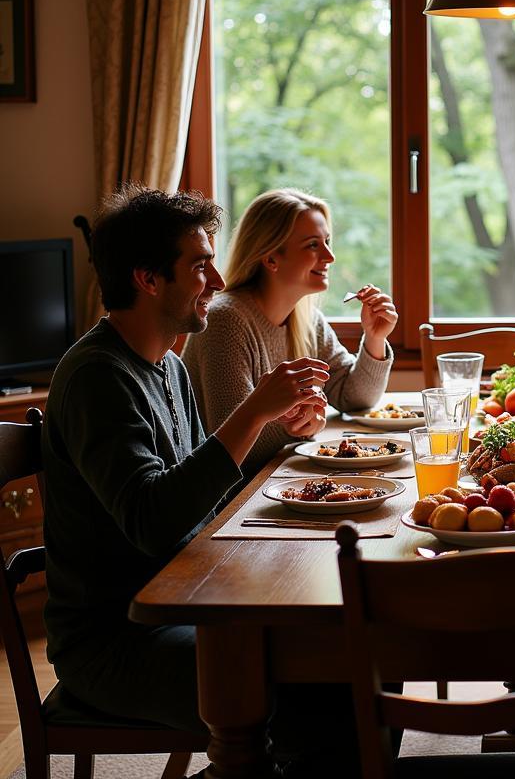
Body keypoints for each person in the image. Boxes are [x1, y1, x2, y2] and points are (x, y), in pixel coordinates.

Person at [42, 184, 331, 750]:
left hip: (187, 602)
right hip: (117, 640)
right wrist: (252, 413)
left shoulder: (168, 369)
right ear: (149, 279)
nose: (219, 283)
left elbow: (205, 504)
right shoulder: (97, 378)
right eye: (201, 266)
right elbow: (153, 521)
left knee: (342, 654)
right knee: (316, 688)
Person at [183, 188, 397, 477]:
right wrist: (302, 424)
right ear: (271, 259)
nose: (330, 256)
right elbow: (235, 445)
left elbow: (353, 397)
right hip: (230, 499)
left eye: (327, 242)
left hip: (277, 478)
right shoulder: (226, 321)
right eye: (312, 245)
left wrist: (375, 338)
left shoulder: (307, 319)